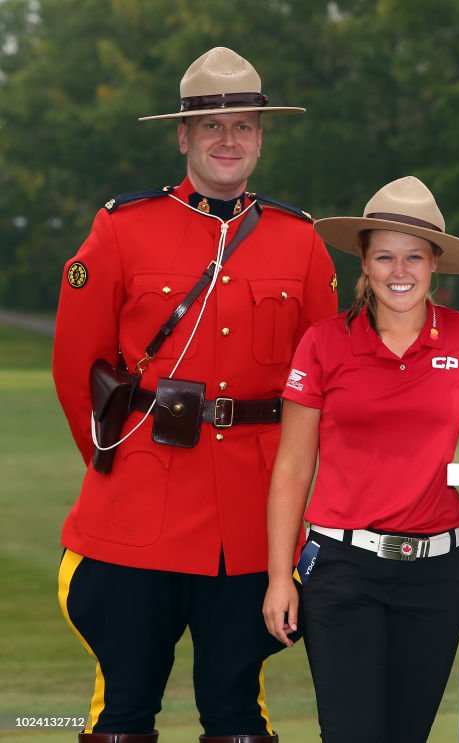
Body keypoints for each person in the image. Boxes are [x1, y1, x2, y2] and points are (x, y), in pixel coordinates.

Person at [52, 47, 337, 742]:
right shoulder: (122, 228)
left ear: (262, 137)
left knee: (238, 712)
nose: (229, 140)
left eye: (244, 125)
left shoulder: (301, 242)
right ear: (183, 136)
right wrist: (118, 455)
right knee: (122, 711)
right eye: (212, 127)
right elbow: (75, 367)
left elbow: (321, 383)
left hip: (251, 515)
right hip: (138, 508)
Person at [261, 176, 459, 743]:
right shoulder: (323, 342)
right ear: (363, 262)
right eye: (384, 256)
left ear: (435, 263)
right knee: (352, 733)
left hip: (438, 572)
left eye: (414, 256)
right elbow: (292, 468)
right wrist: (278, 579)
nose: (399, 270)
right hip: (342, 568)